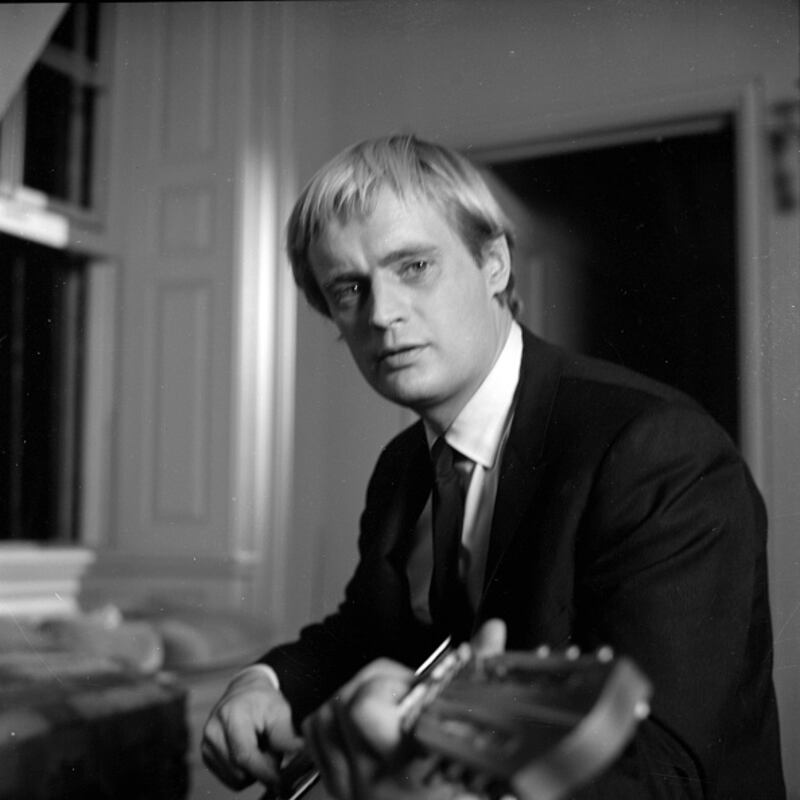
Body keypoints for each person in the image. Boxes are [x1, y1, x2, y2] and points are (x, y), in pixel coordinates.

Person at [201, 134, 784, 798]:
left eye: (414, 266)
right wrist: (266, 681)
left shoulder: (657, 451)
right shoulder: (402, 466)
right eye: (348, 289)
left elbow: (667, 773)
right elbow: (371, 633)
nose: (383, 314)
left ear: (495, 263)